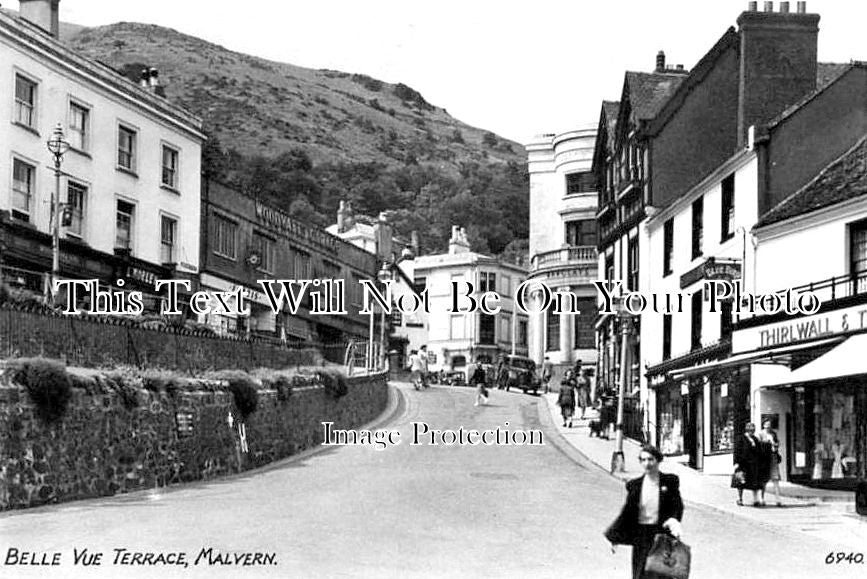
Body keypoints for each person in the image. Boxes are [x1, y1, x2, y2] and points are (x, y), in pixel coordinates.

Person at [605, 445, 684, 579]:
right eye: (643, 460)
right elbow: (627, 513)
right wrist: (615, 536)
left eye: (650, 459)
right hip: (641, 537)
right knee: (641, 574)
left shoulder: (670, 482)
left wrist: (674, 520)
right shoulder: (635, 486)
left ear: (658, 460)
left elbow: (677, 505)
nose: (647, 463)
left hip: (662, 535)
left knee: (662, 574)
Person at [733, 422, 764, 506]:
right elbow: (736, 451)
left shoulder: (755, 439)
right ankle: (740, 499)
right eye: (750, 430)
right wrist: (736, 462)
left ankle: (755, 500)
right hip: (743, 463)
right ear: (747, 430)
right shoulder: (741, 438)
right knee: (741, 482)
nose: (752, 432)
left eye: (753, 430)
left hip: (754, 464)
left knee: (754, 482)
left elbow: (759, 451)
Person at [758, 420, 782, 507]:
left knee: (775, 479)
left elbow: (777, 444)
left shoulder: (773, 434)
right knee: (764, 480)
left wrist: (775, 445)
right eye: (766, 424)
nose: (768, 426)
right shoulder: (760, 434)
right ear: (763, 425)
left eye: (769, 425)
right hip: (765, 459)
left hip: (773, 457)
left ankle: (778, 499)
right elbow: (759, 447)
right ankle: (761, 498)